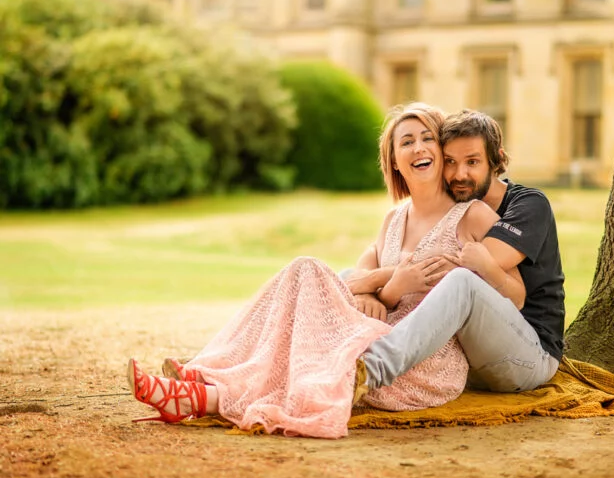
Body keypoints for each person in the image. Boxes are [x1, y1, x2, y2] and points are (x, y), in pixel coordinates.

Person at [127, 103, 523, 439]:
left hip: (421, 364)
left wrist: (471, 270)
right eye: (407, 141)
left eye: (427, 138)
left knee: (306, 305)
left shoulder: (472, 215)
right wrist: (386, 284)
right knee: (305, 272)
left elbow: (512, 293)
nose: (419, 147)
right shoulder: (392, 221)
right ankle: (203, 382)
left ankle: (205, 385)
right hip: (371, 340)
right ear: (395, 162)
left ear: (442, 150)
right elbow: (348, 283)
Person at [350, 109, 565, 394]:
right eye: (451, 161)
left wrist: (377, 280)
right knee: (342, 277)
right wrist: (369, 286)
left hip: (527, 351)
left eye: (472, 162)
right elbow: (375, 259)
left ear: (496, 160)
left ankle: (369, 372)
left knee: (462, 280)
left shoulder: (525, 206)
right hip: (472, 354)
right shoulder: (433, 211)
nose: (460, 174)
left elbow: (455, 269)